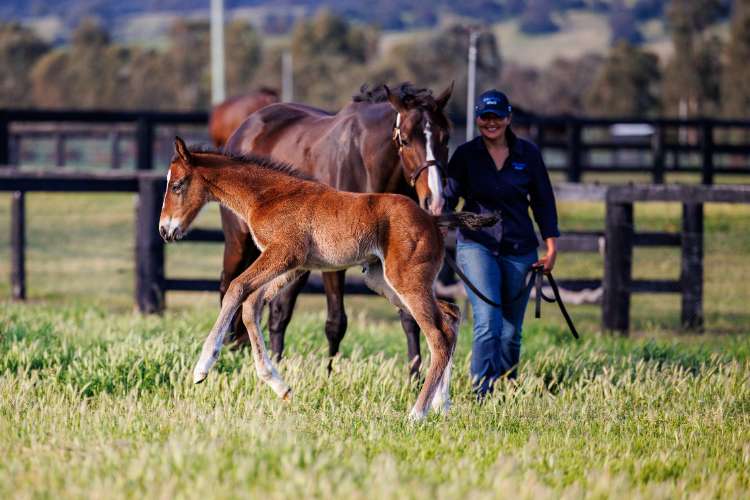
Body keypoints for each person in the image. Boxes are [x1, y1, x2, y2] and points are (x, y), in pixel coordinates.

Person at [443, 89, 560, 397]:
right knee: (488, 322)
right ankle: (482, 393)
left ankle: (507, 388)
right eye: (485, 117)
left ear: (508, 118)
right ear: (477, 119)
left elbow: (544, 202)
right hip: (476, 246)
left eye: (497, 116)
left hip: (520, 248)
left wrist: (551, 247)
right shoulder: (465, 156)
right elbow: (448, 198)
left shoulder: (528, 155)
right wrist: (435, 224)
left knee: (510, 331)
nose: (491, 122)